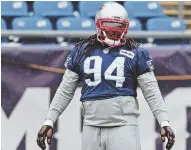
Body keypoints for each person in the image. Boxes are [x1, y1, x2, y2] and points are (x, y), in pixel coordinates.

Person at [37, 2, 175, 150]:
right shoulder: (81, 51)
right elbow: (65, 90)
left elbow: (151, 90)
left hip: (123, 126)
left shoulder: (136, 52)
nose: (114, 30)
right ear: (98, 24)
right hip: (91, 125)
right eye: (109, 24)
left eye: (119, 26)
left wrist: (164, 121)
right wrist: (49, 120)